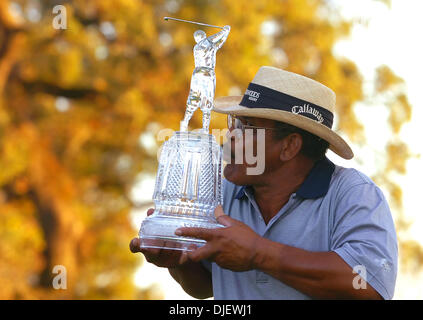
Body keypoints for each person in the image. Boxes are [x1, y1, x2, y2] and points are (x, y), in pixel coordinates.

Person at [130, 66, 398, 300]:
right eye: (234, 121)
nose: (231, 135)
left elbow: (367, 285)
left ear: (290, 146)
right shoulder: (223, 192)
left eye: (246, 126)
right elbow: (206, 286)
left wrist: (258, 253)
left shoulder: (352, 194)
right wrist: (179, 262)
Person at [181, 25, 231, 132]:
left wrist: (226, 32)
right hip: (203, 73)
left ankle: (205, 129)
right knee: (195, 98)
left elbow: (220, 42)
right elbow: (212, 39)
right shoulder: (199, 46)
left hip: (206, 73)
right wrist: (223, 31)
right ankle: (185, 123)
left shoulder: (211, 46)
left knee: (207, 101)